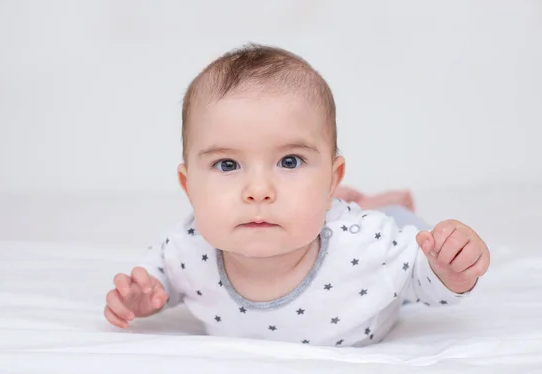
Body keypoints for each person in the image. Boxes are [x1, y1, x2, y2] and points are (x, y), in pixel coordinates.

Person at [104, 44, 490, 347]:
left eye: (289, 161)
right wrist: (145, 296)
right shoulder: (187, 248)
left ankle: (385, 202)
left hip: (380, 239)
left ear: (330, 179)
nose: (258, 192)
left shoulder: (369, 243)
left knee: (409, 228)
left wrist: (448, 268)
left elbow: (429, 285)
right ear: (189, 187)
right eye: (227, 165)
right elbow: (161, 276)